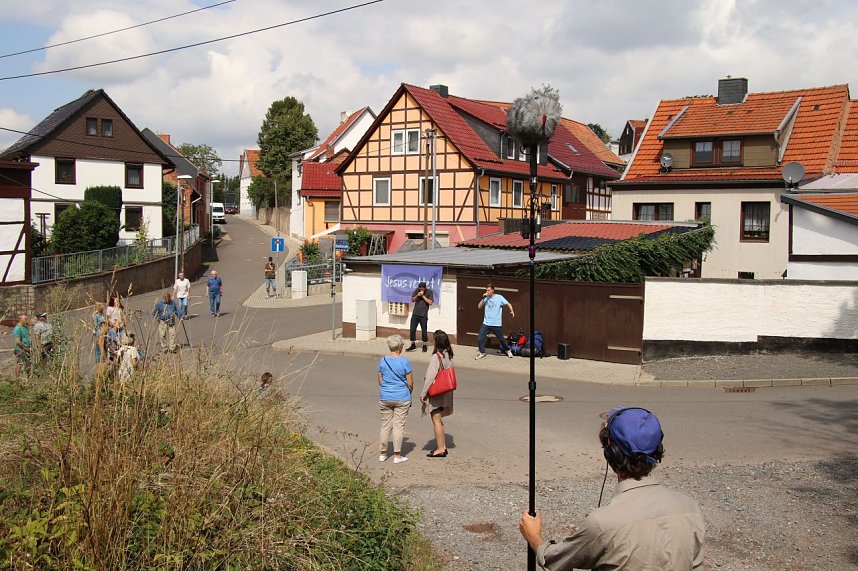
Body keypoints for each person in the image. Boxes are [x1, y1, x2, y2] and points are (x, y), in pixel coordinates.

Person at [519, 406, 705, 570]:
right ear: (657, 452)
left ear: (612, 455)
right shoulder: (690, 508)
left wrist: (535, 538)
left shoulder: (601, 524)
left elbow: (557, 561)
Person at [377, 334, 414, 465]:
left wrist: (387, 387)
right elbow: (410, 383)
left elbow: (380, 379)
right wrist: (408, 392)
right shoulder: (404, 362)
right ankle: (397, 455)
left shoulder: (383, 360)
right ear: (399, 347)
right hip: (402, 397)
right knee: (398, 426)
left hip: (385, 396)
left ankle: (382, 453)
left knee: (385, 426)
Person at [419, 329, 454, 457]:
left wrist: (423, 393)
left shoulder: (436, 357)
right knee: (438, 418)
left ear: (436, 341)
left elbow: (430, 377)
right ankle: (442, 446)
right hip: (446, 391)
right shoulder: (448, 355)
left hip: (437, 392)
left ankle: (440, 449)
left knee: (436, 418)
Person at [475, 283, 515, 360]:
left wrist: (512, 311)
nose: (487, 292)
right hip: (486, 323)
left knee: (501, 339)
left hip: (496, 323)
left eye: (489, 290)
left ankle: (508, 350)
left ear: (493, 290)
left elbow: (508, 304)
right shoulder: (485, 298)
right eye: (486, 290)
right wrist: (483, 298)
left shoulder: (499, 297)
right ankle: (482, 352)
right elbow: (479, 307)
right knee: (480, 338)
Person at [406, 281, 434, 353]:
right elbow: (412, 300)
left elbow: (430, 302)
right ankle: (413, 344)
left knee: (424, 331)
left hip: (423, 315)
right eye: (420, 288)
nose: (421, 290)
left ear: (425, 288)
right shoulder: (417, 290)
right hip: (415, 314)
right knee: (412, 329)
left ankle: (424, 345)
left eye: (422, 289)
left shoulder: (429, 292)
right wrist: (417, 295)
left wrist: (423, 296)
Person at [13, 313, 31, 379]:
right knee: (20, 364)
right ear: (20, 319)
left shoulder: (25, 327)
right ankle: (17, 379)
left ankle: (29, 379)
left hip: (28, 348)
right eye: (25, 318)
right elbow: (18, 341)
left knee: (28, 364)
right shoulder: (17, 328)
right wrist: (25, 348)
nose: (26, 320)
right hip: (21, 349)